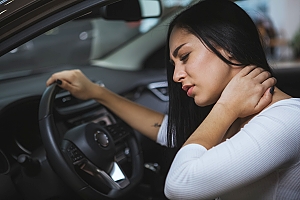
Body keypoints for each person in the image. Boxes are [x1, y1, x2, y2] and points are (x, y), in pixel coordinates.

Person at [47, 0, 300, 199]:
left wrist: (225, 107)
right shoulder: (242, 114)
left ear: (228, 46)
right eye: (173, 64)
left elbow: (180, 185)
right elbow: (169, 130)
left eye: (185, 56)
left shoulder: (287, 120)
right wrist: (97, 92)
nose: (177, 75)